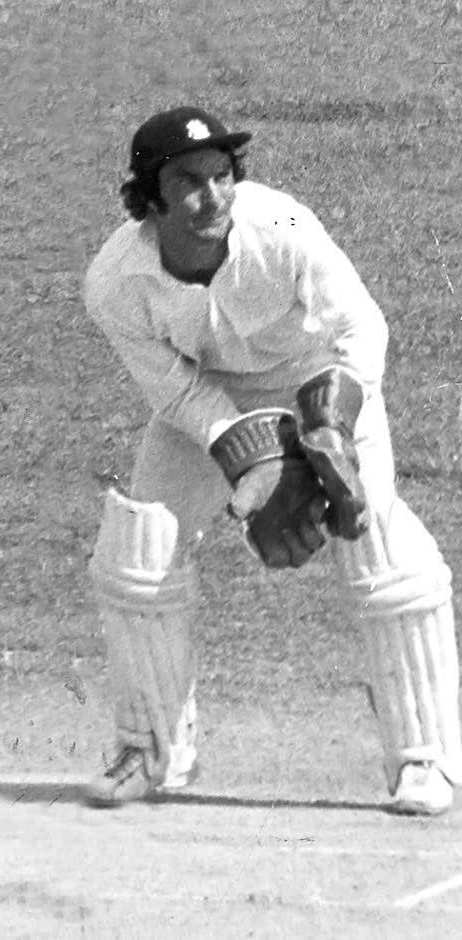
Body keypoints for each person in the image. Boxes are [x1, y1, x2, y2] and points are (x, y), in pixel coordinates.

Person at [81, 105, 462, 816]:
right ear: (149, 196)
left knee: (379, 547)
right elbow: (174, 391)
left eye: (223, 176)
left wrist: (331, 422)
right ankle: (149, 749)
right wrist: (250, 457)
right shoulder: (115, 280)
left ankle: (427, 762)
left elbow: (360, 325)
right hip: (210, 402)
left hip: (322, 380)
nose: (212, 197)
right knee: (140, 547)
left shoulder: (282, 223)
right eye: (189, 181)